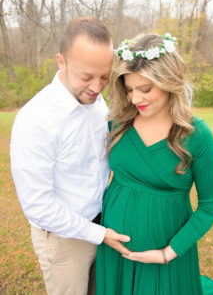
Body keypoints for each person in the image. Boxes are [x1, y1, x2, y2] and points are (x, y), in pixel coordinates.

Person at [10, 17, 131, 295]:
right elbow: (38, 206)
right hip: (63, 241)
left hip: (103, 224)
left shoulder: (96, 101)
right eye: (86, 76)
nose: (97, 87)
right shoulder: (36, 119)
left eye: (104, 76)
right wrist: (99, 234)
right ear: (61, 62)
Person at [95, 33, 213, 295]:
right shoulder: (116, 124)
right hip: (114, 251)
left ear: (169, 83)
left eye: (145, 89)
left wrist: (168, 253)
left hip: (165, 258)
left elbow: (210, 206)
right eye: (129, 89)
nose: (135, 99)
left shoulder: (196, 135)